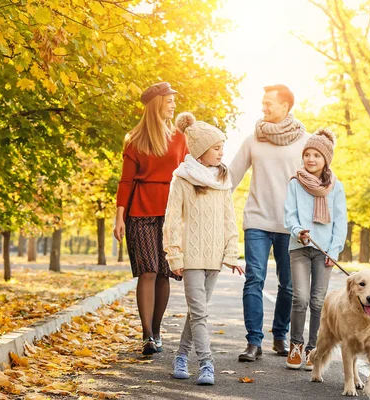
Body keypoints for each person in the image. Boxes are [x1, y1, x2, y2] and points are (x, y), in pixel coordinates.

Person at [229, 84, 309, 361]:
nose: (263, 107)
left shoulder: (304, 141)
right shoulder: (253, 140)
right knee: (254, 280)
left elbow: (316, 183)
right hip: (257, 220)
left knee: (288, 285)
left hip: (291, 226)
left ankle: (280, 335)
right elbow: (231, 176)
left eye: (269, 103)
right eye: (263, 102)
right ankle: (253, 342)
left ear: (285, 106)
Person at [163, 112, 244, 385]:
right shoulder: (182, 180)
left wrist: (231, 254)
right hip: (191, 256)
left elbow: (228, 220)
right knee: (200, 313)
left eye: (223, 146)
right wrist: (174, 254)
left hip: (215, 257)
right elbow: (172, 221)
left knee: (196, 311)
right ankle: (207, 365)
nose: (222, 152)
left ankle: (181, 356)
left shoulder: (223, 181)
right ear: (200, 151)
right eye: (217, 147)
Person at [114, 82, 187, 356]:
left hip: (171, 213)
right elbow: (126, 181)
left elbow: (188, 172)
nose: (173, 105)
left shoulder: (181, 138)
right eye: (169, 101)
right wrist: (119, 217)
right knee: (148, 270)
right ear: (157, 103)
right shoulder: (135, 140)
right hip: (140, 211)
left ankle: (156, 331)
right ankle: (146, 336)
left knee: (164, 273)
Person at [283, 128, 347, 371]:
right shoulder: (295, 184)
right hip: (299, 247)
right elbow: (289, 214)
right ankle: (296, 345)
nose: (310, 159)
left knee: (318, 301)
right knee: (299, 298)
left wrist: (334, 249)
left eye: (316, 155)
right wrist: (298, 230)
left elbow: (340, 221)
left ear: (326, 159)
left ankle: (313, 348)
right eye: (307, 154)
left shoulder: (335, 186)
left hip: (324, 252)